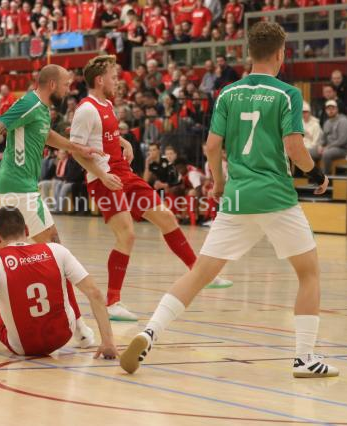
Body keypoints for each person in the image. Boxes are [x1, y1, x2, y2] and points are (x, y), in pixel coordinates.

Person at [120, 22, 339, 378]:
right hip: (276, 197)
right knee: (308, 273)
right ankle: (304, 359)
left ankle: (150, 331)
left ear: (249, 53)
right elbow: (294, 146)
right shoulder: (287, 94)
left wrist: (219, 184)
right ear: (281, 54)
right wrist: (317, 175)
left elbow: (211, 146)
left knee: (199, 274)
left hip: (237, 197)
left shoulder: (227, 94)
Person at [70, 55, 233, 322]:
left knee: (167, 217)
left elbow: (103, 136)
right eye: (113, 77)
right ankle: (113, 302)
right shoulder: (86, 109)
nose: (117, 81)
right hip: (103, 179)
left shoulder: (107, 104)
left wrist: (123, 142)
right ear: (99, 80)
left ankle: (199, 273)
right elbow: (76, 150)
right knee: (127, 235)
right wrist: (101, 174)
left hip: (124, 173)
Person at [0, 64, 103, 342]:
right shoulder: (28, 103)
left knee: (10, 247)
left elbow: (47, 135)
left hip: (17, 187)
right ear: (52, 84)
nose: (68, 90)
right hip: (18, 188)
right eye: (65, 85)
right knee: (56, 250)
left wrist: (77, 148)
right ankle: (79, 327)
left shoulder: (42, 110)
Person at [0, 208, 118, 361]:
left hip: (23, 347)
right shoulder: (57, 250)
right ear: (28, 230)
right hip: (62, 336)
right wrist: (108, 342)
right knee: (62, 274)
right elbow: (95, 293)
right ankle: (81, 330)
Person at [311, 100, 347, 174]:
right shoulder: (327, 122)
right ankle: (314, 175)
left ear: (337, 109)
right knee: (310, 152)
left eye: (333, 108)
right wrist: (320, 146)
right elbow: (323, 139)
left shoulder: (343, 121)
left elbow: (342, 140)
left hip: (343, 149)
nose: (330, 111)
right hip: (328, 147)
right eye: (328, 109)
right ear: (326, 111)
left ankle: (326, 176)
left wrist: (327, 147)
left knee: (326, 154)